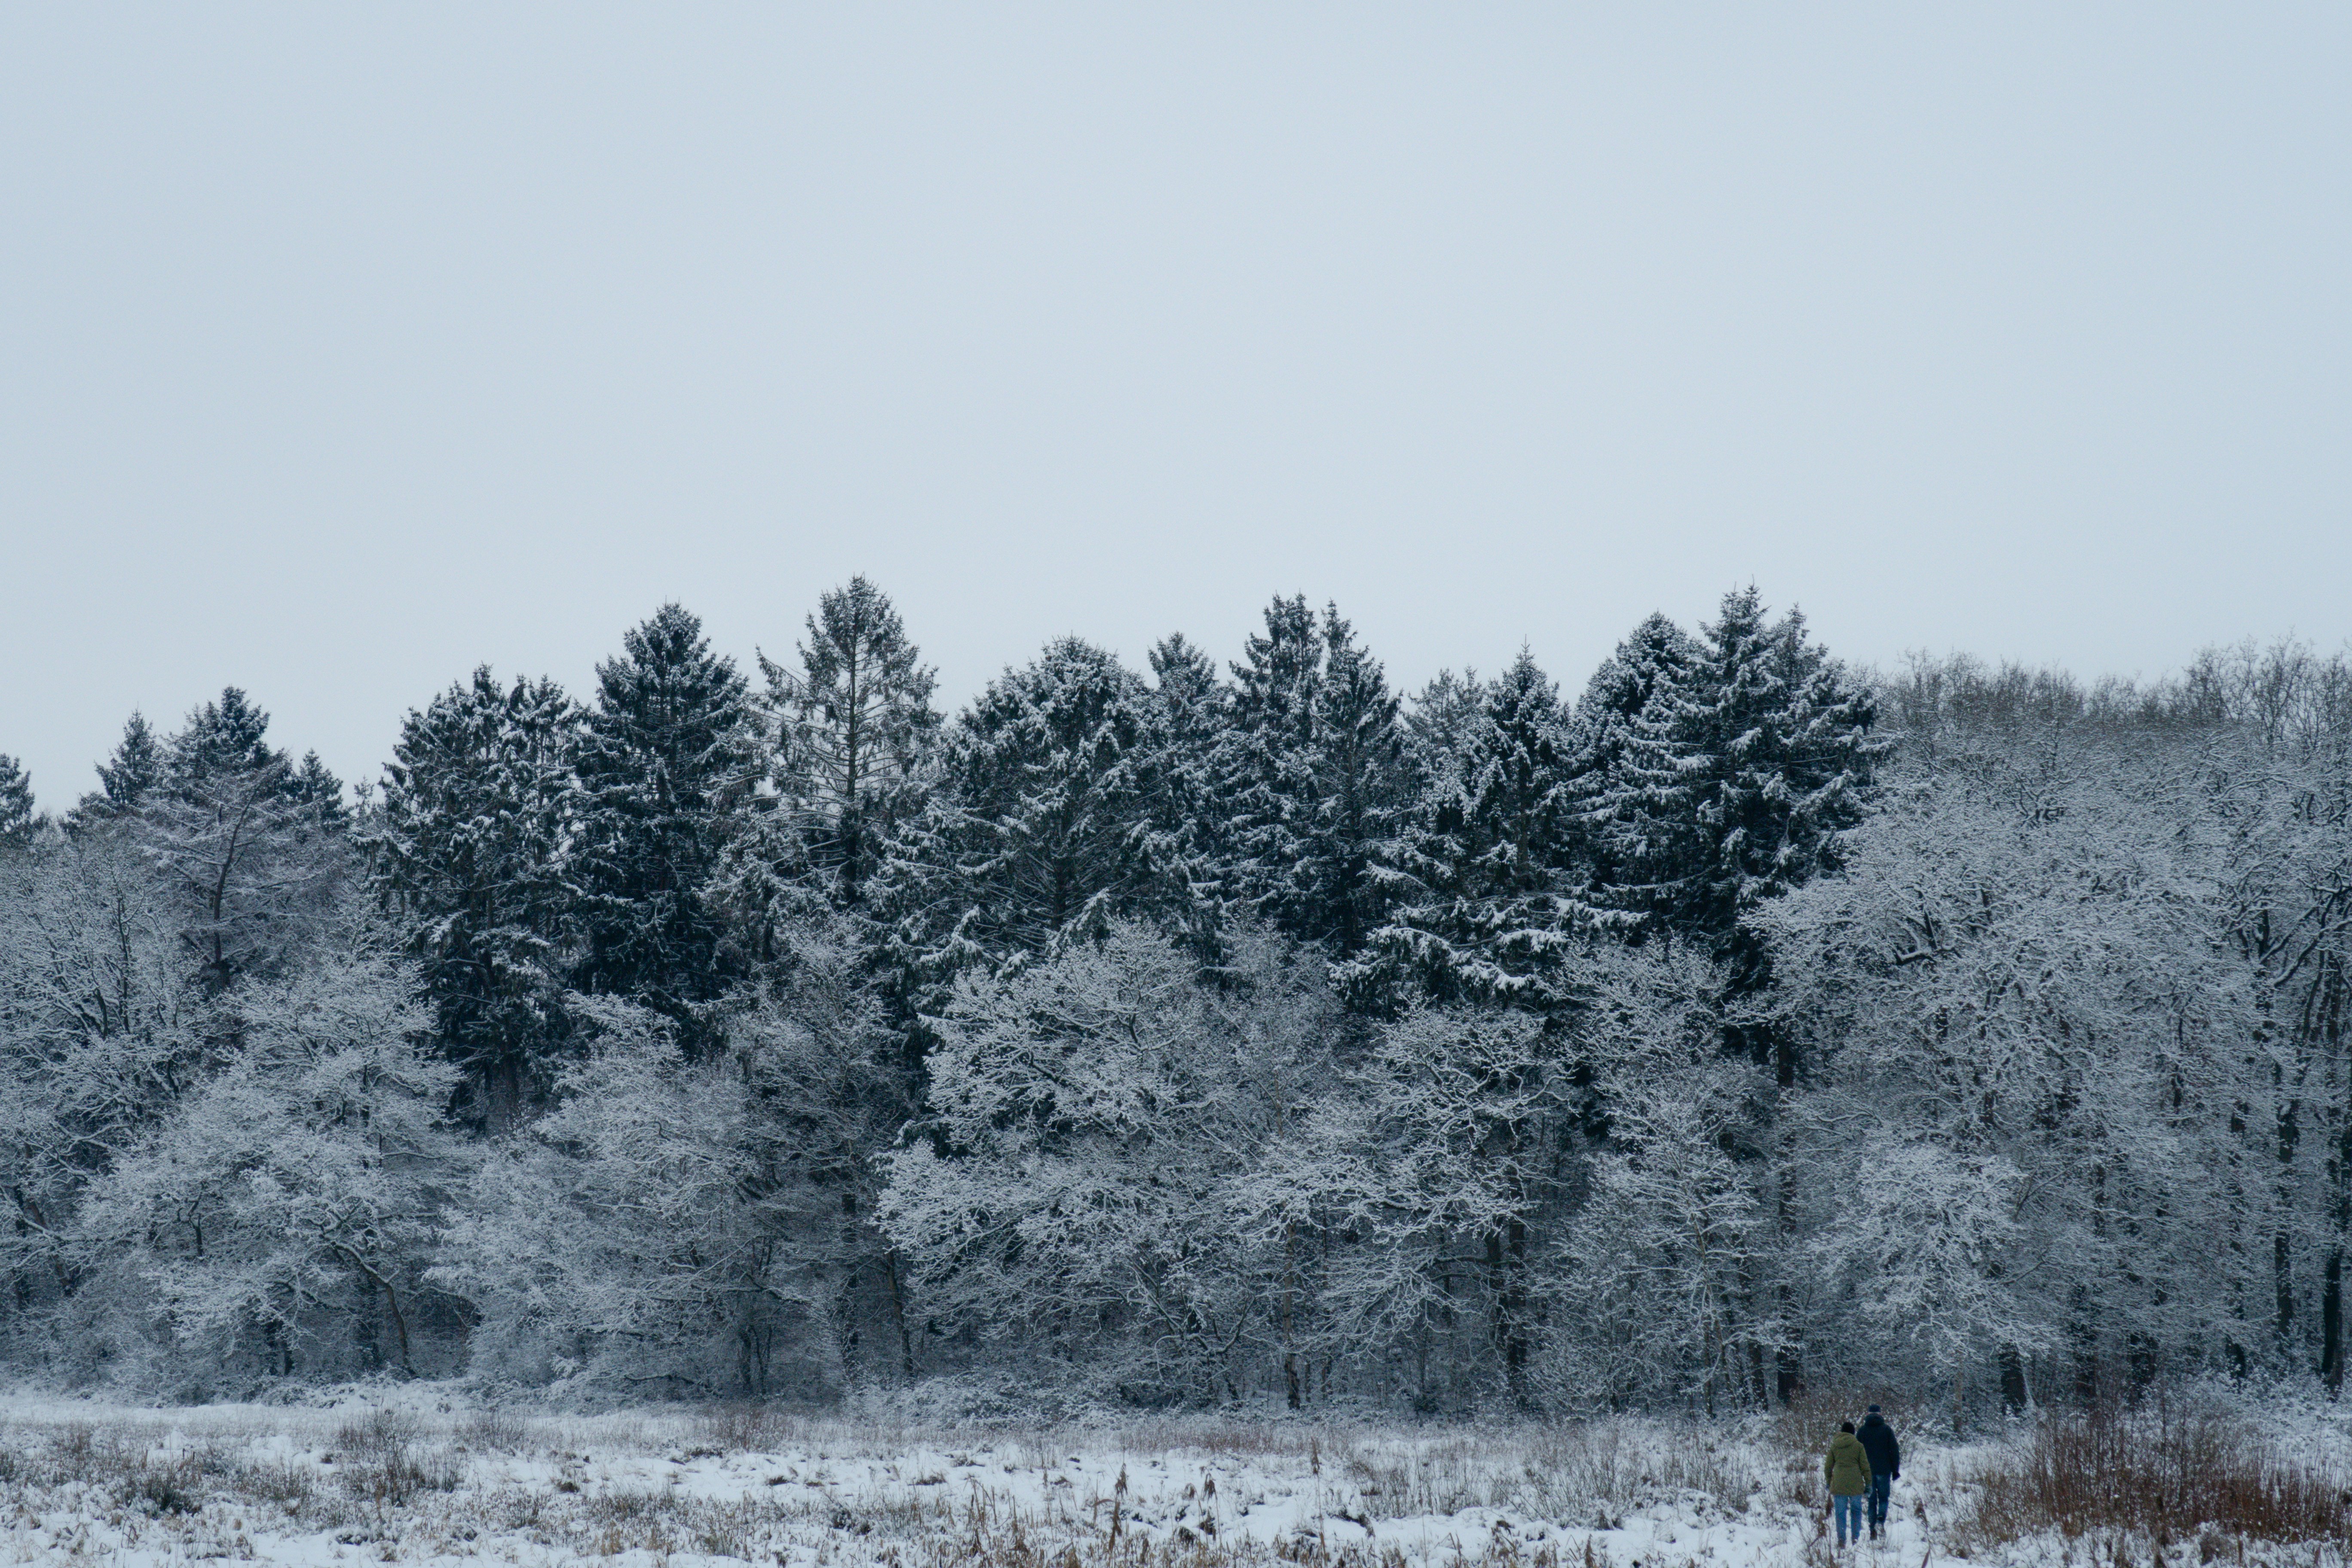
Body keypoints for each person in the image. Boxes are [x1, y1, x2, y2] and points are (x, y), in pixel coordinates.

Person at [1823, 1420, 1873, 1550]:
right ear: (1853, 1433)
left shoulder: (1835, 1446)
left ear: (1842, 1432)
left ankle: (1841, 1541)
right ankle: (1855, 1539)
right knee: (1856, 1511)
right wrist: (1868, 1484)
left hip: (1839, 1484)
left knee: (1840, 1513)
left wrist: (1829, 1482)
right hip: (1856, 1484)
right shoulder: (1859, 1446)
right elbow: (1865, 1467)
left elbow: (1828, 1467)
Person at [1856, 1405, 1900, 1539]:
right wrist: (1895, 1471)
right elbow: (1894, 1451)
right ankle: (1881, 1521)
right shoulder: (1887, 1430)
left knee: (1871, 1501)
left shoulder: (1862, 1431)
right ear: (1880, 1414)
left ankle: (1872, 1530)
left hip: (1868, 1472)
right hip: (1884, 1471)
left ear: (1868, 1414)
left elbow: (1857, 1452)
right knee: (1883, 1498)